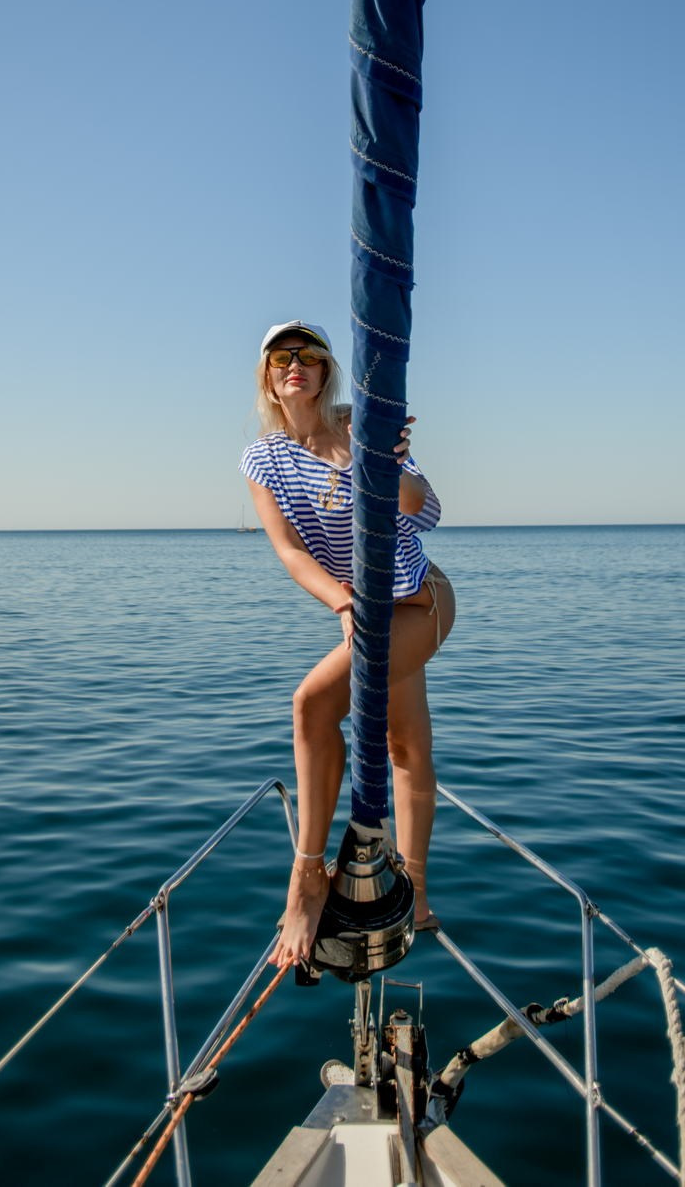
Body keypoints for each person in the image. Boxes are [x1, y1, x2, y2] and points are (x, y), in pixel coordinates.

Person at [240, 319, 455, 971]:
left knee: (311, 706)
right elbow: (289, 551)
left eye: (307, 355)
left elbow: (426, 508)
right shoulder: (263, 460)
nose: (294, 365)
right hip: (362, 612)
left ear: (326, 368)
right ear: (269, 378)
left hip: (421, 601)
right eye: (282, 358)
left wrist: (382, 459)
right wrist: (342, 602)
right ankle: (414, 899)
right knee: (403, 744)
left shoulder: (361, 424)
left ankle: (307, 878)